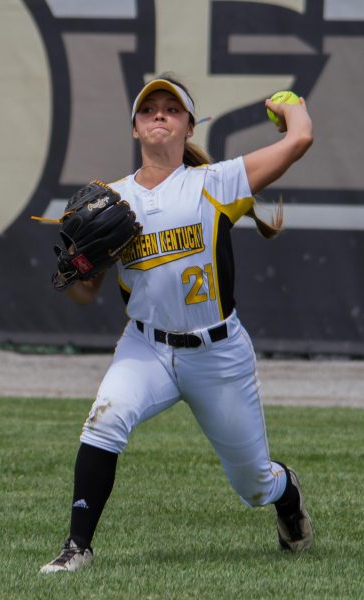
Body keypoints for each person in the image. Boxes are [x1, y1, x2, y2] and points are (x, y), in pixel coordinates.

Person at [39, 74, 314, 574]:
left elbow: (299, 140)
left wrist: (290, 105)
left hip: (217, 354)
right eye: (149, 110)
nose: (159, 115)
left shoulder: (217, 182)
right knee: (105, 421)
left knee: (253, 484)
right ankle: (77, 546)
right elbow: (84, 294)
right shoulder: (111, 202)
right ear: (135, 128)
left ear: (190, 126)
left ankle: (285, 492)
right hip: (146, 348)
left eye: (171, 109)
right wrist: (76, 270)